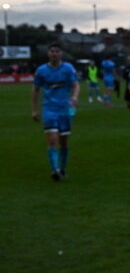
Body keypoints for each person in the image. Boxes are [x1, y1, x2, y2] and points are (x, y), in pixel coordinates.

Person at [31, 43, 80, 180]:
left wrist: (75, 97)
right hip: (49, 109)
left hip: (65, 110)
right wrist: (35, 110)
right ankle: (55, 170)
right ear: (48, 54)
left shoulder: (68, 68)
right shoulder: (41, 71)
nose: (54, 53)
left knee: (64, 142)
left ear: (61, 53)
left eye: (57, 51)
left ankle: (63, 169)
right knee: (52, 140)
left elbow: (75, 85)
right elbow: (35, 90)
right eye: (52, 51)